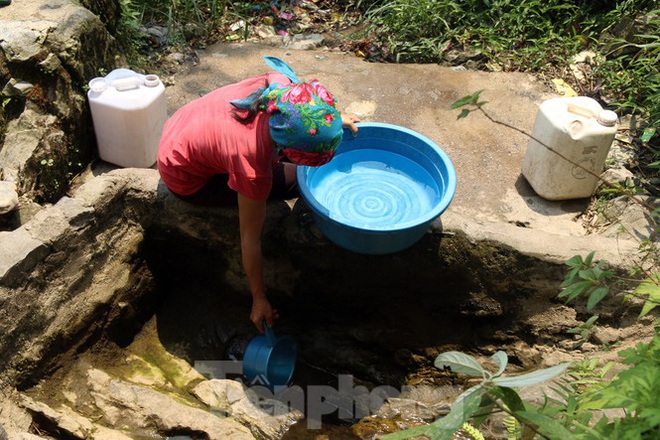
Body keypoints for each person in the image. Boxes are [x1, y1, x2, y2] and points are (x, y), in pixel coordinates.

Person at [157, 57, 360, 333]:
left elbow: (307, 107)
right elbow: (249, 237)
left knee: (287, 173)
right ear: (284, 151)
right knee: (293, 182)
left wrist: (333, 119)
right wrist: (259, 298)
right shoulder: (251, 164)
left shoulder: (282, 91)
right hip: (184, 175)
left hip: (183, 126)